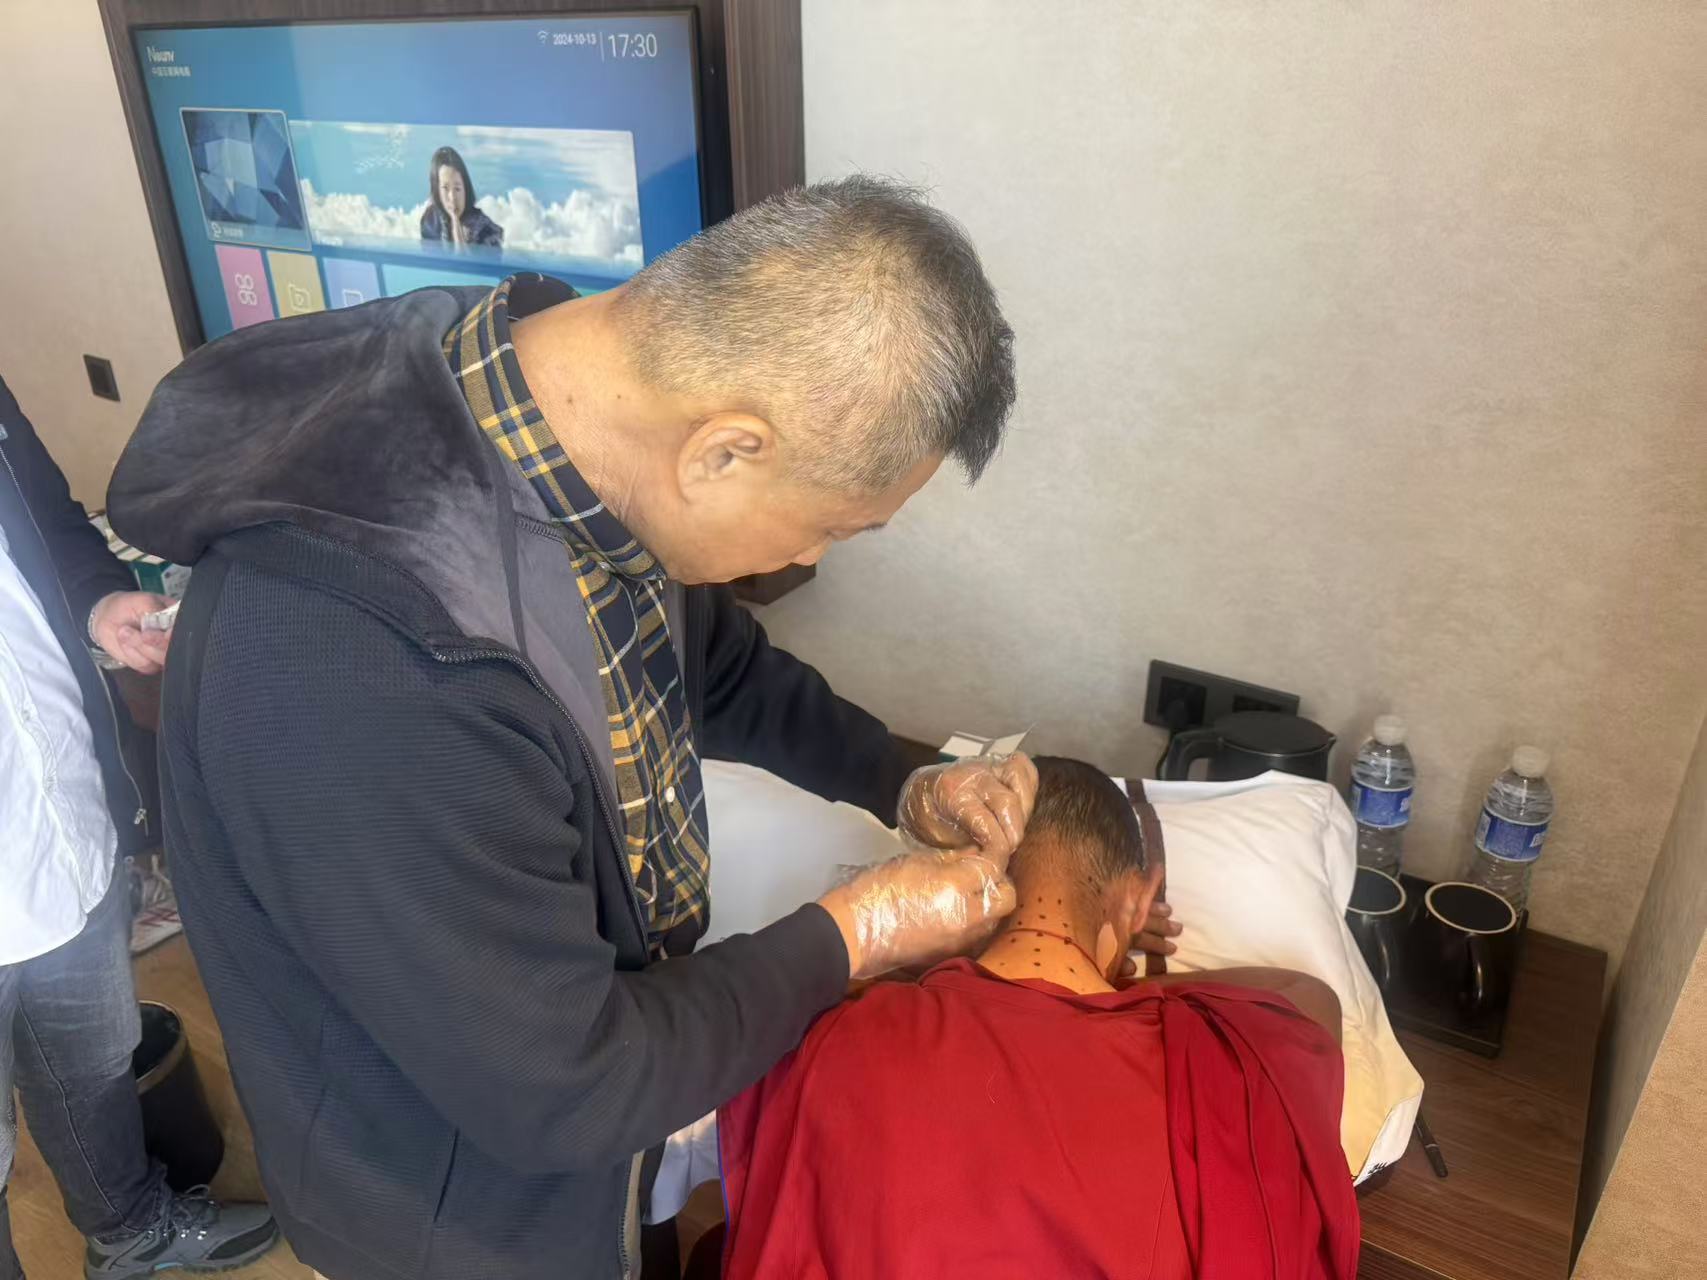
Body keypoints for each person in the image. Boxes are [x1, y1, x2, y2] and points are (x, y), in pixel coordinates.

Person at [102, 176, 1105, 1280]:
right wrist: (854, 932)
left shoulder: (557, 404)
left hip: (597, 1124)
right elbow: (564, 1086)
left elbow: (712, 663)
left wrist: (901, 778)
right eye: (832, 526)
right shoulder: (370, 670)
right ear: (724, 450)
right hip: (455, 1215)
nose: (811, 558)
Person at [717, 757, 1361, 1280]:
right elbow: (1308, 996)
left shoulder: (825, 1029)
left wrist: (941, 957)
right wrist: (1112, 971)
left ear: (962, 883)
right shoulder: (1229, 1057)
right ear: (1140, 897)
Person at [0, 377, 277, 1280]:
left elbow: (48, 521)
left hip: (57, 831)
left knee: (89, 1066)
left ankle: (129, 1232)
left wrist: (98, 603)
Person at [418, 145, 504, 250]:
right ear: (437, 190)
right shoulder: (431, 221)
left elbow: (466, 260)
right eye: (445, 188)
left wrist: (456, 226)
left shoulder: (486, 230)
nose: (452, 197)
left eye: (457, 189)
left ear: (465, 188)